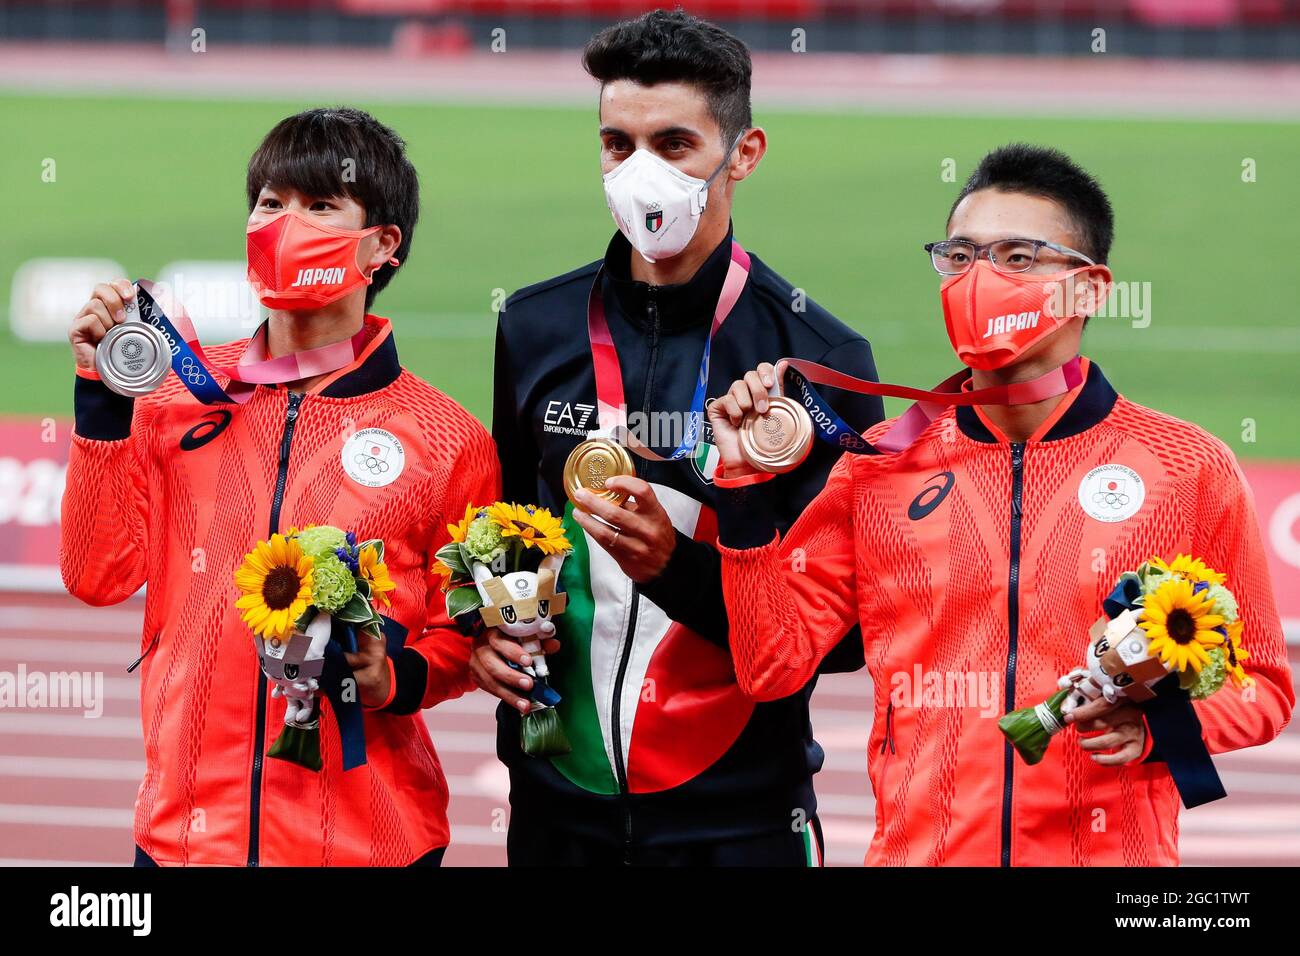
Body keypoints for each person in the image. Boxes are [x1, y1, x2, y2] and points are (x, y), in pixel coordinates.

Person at [708, 143, 1294, 866]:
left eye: (1018, 258)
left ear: (1089, 288)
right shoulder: (881, 467)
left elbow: (1262, 686)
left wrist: (1159, 730)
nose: (979, 279)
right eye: (960, 257)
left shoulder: (1188, 469)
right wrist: (740, 488)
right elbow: (772, 665)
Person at [478, 10, 884, 866]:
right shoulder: (534, 326)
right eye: (616, 145)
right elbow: (510, 530)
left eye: (674, 144)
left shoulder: (820, 357)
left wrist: (682, 571)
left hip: (738, 818)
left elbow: (845, 635)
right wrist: (487, 628)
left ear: (744, 153)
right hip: (557, 803)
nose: (640, 174)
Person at [61, 107, 500, 866]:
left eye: (320, 205)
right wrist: (101, 406)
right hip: (186, 838)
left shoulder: (446, 438)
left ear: (382, 244)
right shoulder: (174, 395)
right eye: (270, 203)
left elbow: (471, 629)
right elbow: (97, 576)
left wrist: (394, 678)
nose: (284, 224)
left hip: (368, 843)